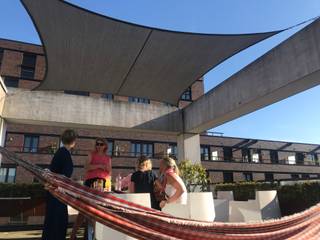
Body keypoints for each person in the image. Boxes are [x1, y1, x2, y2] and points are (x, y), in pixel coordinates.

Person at [71, 138, 112, 240]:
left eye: (101, 144)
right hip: (90, 182)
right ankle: (74, 234)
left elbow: (109, 172)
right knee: (83, 209)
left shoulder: (108, 158)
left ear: (105, 146)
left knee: (95, 210)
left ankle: (95, 236)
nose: (98, 146)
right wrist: (100, 166)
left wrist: (108, 184)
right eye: (97, 144)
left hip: (102, 184)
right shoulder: (91, 154)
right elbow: (87, 167)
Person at [42, 129, 78, 240]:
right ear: (73, 141)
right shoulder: (65, 154)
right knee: (58, 223)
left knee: (52, 222)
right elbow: (64, 176)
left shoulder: (60, 152)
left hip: (54, 193)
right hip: (58, 194)